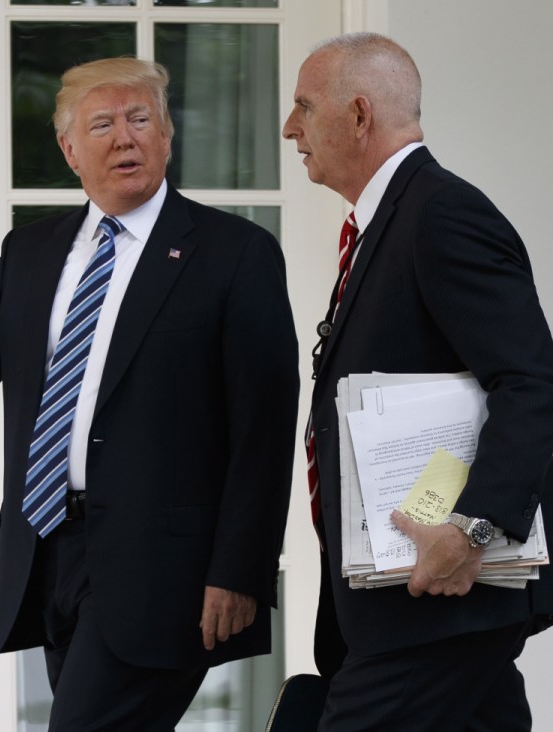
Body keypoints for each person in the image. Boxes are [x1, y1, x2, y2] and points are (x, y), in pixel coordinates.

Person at [0, 57, 300, 730]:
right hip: (47, 552)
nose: (125, 138)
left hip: (164, 569)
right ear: (70, 150)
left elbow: (266, 426)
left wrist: (241, 569)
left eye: (141, 120)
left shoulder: (234, 252)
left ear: (166, 137)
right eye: (102, 124)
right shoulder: (33, 251)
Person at [282, 33, 553, 731]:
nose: (291, 129)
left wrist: (473, 528)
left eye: (305, 108)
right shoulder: (388, 223)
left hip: (434, 602)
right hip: (415, 605)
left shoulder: (440, 215)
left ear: (360, 114)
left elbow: (531, 379)